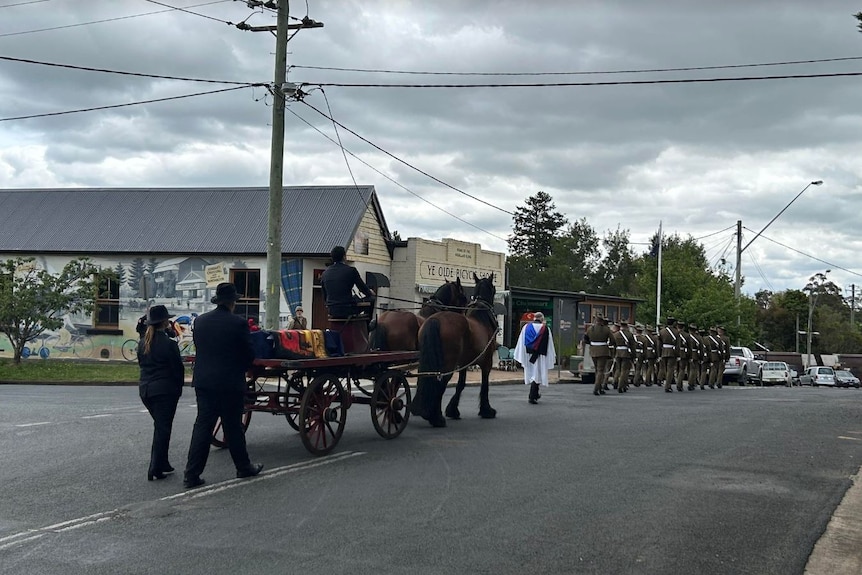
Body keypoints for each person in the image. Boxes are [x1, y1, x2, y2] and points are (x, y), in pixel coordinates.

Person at [183, 282, 262, 489]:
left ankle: (191, 474)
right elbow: (248, 354)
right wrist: (242, 369)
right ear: (233, 302)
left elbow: (201, 349)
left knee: (202, 426)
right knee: (233, 426)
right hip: (229, 382)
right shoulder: (238, 323)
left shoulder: (200, 322)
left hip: (204, 381)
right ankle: (243, 467)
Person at [137, 305, 185, 481]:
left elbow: (142, 365)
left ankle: (162, 462)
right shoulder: (169, 344)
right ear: (165, 322)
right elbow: (177, 370)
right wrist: (178, 389)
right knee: (163, 429)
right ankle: (154, 468)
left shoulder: (143, 343)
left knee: (161, 427)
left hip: (146, 390)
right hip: (164, 391)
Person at [320, 246, 375, 319]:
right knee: (371, 299)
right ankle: (367, 325)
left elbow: (324, 295)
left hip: (332, 310)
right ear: (344, 257)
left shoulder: (325, 273)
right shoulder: (351, 270)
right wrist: (370, 292)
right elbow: (362, 288)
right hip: (348, 309)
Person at [513, 312, 556, 404]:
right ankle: (532, 396)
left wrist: (522, 354)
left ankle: (535, 394)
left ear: (534, 318)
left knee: (533, 374)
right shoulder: (545, 329)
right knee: (537, 375)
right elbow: (549, 344)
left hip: (529, 355)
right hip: (540, 355)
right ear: (541, 319)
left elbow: (521, 342)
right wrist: (551, 355)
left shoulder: (526, 327)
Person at [586, 314, 611, 396]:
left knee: (597, 369)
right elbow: (613, 340)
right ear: (602, 321)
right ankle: (597, 388)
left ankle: (599, 387)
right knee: (601, 370)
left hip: (593, 350)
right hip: (603, 351)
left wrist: (591, 343)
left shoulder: (590, 329)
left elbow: (585, 338)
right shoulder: (606, 329)